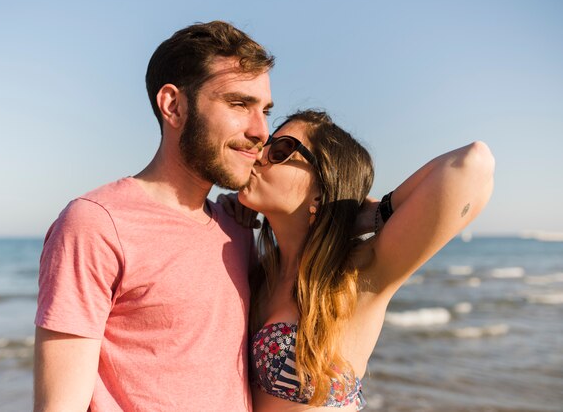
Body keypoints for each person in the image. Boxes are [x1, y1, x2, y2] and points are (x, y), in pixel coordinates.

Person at [33, 21, 275, 411]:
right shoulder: (95, 224)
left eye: (264, 110)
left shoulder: (238, 227)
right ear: (173, 106)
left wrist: (359, 215)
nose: (261, 130)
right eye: (238, 104)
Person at [223, 110, 495, 410]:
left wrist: (371, 213)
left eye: (282, 150)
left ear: (322, 184)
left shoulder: (360, 271)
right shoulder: (260, 270)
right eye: (266, 144)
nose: (259, 154)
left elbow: (474, 164)